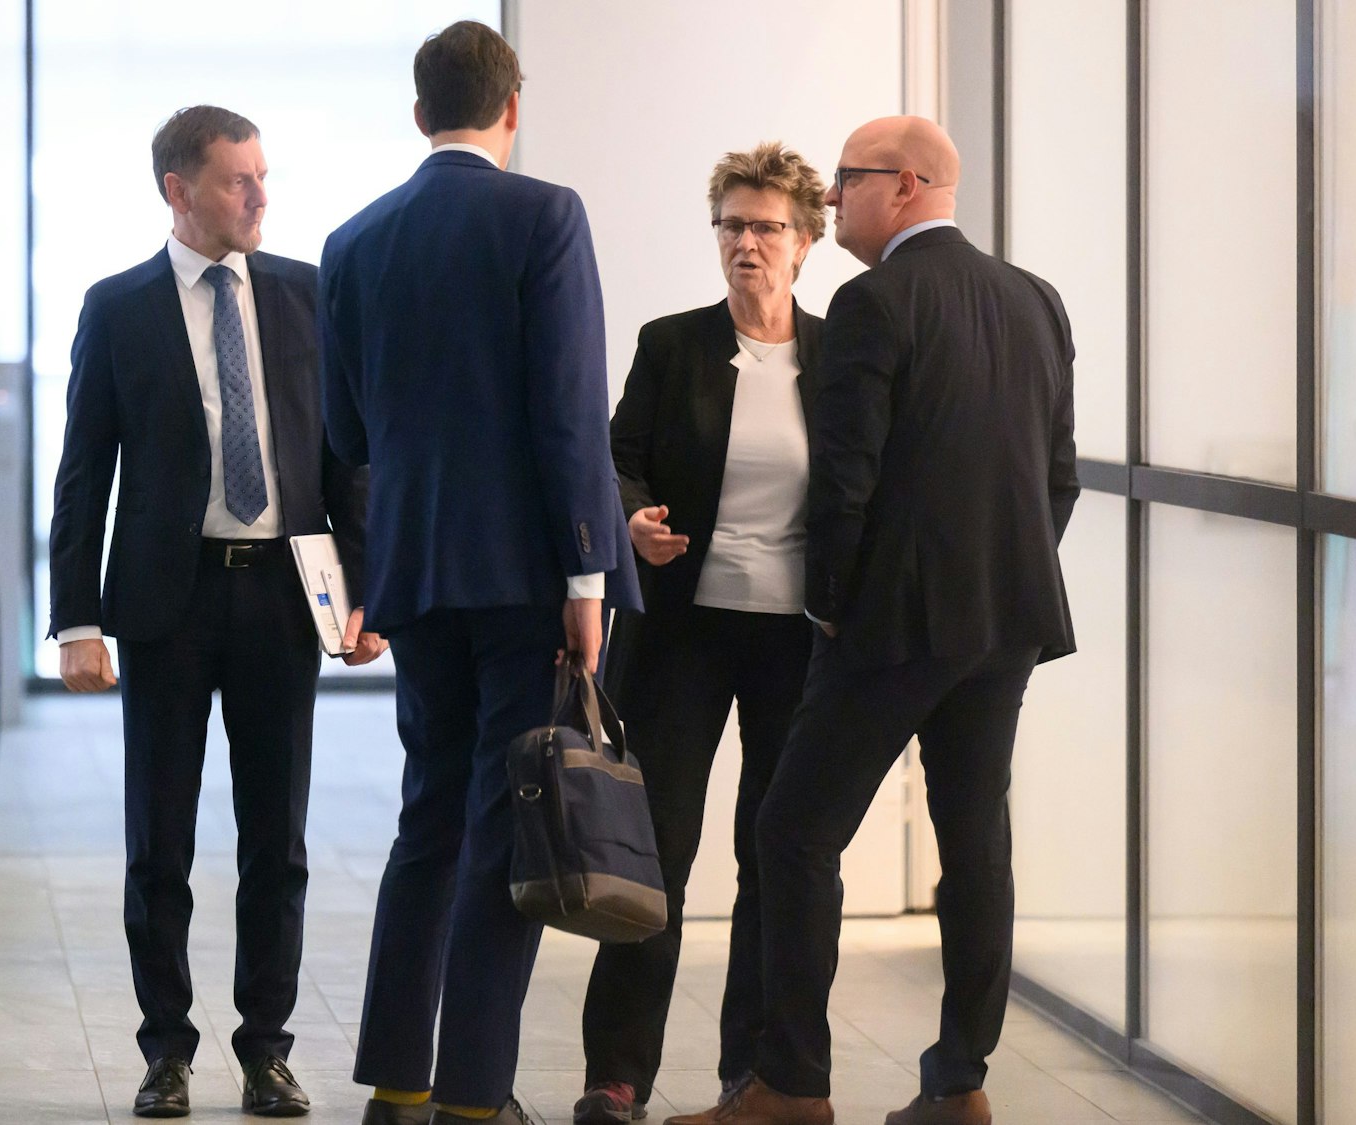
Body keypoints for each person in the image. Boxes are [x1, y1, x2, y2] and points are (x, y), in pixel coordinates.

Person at [669, 117, 1078, 1125]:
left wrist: (827, 609)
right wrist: (999, 576)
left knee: (792, 832)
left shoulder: (872, 300)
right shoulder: (1035, 300)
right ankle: (959, 1084)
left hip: (888, 627)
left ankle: (790, 1086)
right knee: (974, 845)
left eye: (844, 180)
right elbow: (1056, 477)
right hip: (1005, 622)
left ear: (901, 186)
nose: (831, 199)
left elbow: (843, 483)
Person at [318, 21, 639, 1125]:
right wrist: (587, 579)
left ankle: (398, 1083)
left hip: (416, 572)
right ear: (514, 108)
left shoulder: (353, 241)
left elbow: (346, 432)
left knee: (428, 822)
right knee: (505, 827)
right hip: (521, 580)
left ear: (418, 115)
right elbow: (566, 413)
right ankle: (471, 1098)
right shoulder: (542, 213)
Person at [46, 104, 381, 1119]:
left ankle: (265, 1047)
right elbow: (80, 479)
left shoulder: (305, 295)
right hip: (166, 602)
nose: (259, 197)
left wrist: (363, 596)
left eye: (263, 176)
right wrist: (75, 623)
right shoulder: (118, 308)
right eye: (239, 180)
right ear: (177, 190)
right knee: (161, 841)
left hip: (283, 598)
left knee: (275, 840)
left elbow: (345, 457)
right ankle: (165, 1050)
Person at [573, 143, 827, 1125]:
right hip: (680, 633)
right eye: (731, 224)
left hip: (796, 643)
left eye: (766, 227)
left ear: (802, 243)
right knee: (652, 857)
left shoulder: (836, 354)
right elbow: (615, 459)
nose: (746, 243)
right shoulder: (672, 343)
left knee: (776, 852)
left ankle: (751, 1073)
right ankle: (616, 1077)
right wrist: (631, 519)